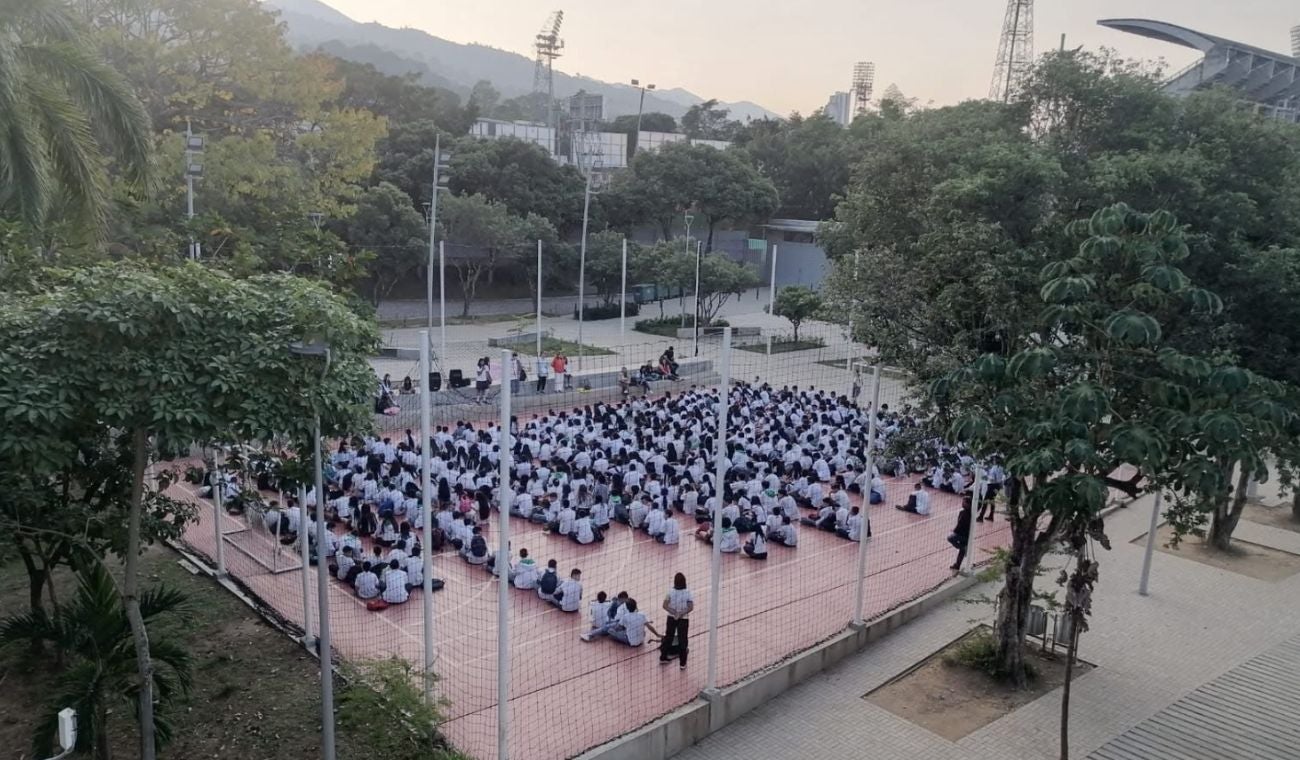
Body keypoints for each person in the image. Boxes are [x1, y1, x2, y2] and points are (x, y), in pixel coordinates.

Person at [580, 598, 661, 646]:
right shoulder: (642, 614)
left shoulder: (626, 617)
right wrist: (657, 634)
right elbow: (650, 626)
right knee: (617, 626)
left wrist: (611, 626)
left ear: (627, 608)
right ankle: (592, 634)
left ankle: (591, 634)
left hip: (631, 642)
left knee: (609, 629)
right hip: (641, 639)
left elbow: (617, 628)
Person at [659, 573, 693, 668]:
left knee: (668, 637)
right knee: (683, 640)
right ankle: (683, 663)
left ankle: (663, 657)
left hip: (671, 618)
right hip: (683, 618)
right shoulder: (688, 592)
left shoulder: (670, 592)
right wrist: (680, 613)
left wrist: (674, 613)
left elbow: (665, 605)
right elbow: (690, 607)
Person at [949, 495, 973, 571]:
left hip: (963, 535)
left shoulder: (965, 513)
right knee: (961, 551)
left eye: (964, 502)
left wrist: (954, 530)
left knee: (950, 538)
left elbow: (960, 524)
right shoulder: (968, 512)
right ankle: (957, 565)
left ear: (968, 504)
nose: (962, 503)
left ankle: (963, 548)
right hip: (966, 534)